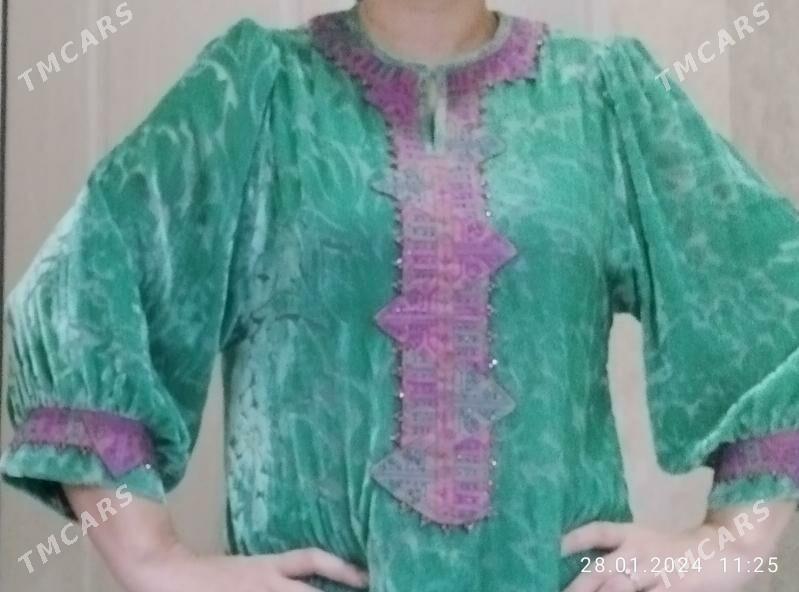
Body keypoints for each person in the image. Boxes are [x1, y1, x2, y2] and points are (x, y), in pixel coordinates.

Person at [2, 0, 798, 590]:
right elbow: (79, 288)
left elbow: (769, 291)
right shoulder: (257, 91)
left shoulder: (600, 96)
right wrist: (152, 560)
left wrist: (733, 545)